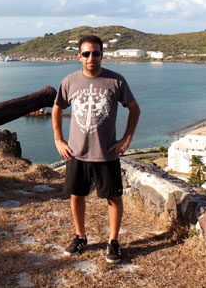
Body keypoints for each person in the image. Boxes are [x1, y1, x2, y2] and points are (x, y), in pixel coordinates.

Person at [52, 35, 140, 264]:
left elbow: (134, 109)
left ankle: (113, 241)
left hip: (106, 153)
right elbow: (57, 108)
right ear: (79, 56)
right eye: (87, 53)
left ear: (102, 54)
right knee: (76, 196)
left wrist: (126, 139)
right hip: (77, 153)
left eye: (96, 53)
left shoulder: (116, 81)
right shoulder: (70, 81)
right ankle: (80, 236)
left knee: (113, 198)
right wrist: (59, 140)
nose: (92, 57)